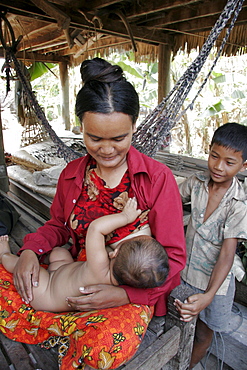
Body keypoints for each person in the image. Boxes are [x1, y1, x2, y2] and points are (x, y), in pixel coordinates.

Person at [0, 57, 186, 370]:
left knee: (106, 345)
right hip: (68, 276)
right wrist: (31, 251)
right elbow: (58, 226)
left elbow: (174, 259)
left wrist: (122, 295)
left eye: (119, 138)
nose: (107, 149)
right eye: (94, 138)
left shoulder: (156, 180)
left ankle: (64, 327)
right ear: (81, 128)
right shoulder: (73, 174)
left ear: (133, 127)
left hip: (126, 290)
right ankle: (63, 323)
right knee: (13, 281)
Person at [0, 198, 169, 312]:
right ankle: (52, 265)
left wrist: (125, 216)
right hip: (64, 274)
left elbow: (96, 228)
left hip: (45, 292)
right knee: (60, 253)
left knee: (23, 269)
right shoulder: (121, 283)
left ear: (114, 253)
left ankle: (4, 254)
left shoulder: (99, 264)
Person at [175, 122, 247, 369]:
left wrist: (208, 296)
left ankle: (184, 367)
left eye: (229, 162)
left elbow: (227, 255)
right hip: (185, 272)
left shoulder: (238, 205)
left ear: (244, 166)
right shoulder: (196, 183)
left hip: (215, 284)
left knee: (203, 335)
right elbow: (169, 198)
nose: (218, 166)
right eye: (214, 156)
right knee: (180, 321)